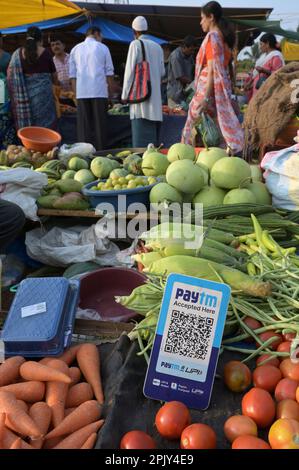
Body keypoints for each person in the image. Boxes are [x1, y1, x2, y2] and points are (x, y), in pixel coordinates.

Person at [181, 1, 244, 155]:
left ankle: (184, 155)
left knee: (191, 124)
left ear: (211, 17)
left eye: (203, 18)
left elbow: (211, 70)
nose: (200, 22)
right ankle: (222, 157)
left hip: (207, 90)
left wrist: (205, 98)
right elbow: (223, 69)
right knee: (219, 125)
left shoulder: (213, 37)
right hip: (219, 91)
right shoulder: (224, 39)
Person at [122, 16, 165, 148]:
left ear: (134, 32)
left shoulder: (135, 44)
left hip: (140, 101)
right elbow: (162, 72)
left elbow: (129, 72)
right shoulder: (158, 47)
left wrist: (124, 95)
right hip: (155, 103)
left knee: (141, 148)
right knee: (153, 148)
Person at [69, 26, 114, 150]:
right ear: (96, 34)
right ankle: (101, 152)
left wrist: (75, 94)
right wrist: (111, 92)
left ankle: (84, 154)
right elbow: (109, 73)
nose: (102, 39)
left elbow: (72, 76)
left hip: (82, 93)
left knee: (84, 128)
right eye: (101, 36)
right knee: (100, 127)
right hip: (100, 91)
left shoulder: (75, 49)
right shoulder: (103, 48)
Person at [7, 26, 57, 130]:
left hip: (25, 99)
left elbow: (11, 76)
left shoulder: (18, 53)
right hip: (45, 97)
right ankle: (46, 144)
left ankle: (29, 143)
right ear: (40, 39)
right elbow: (54, 76)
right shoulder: (46, 52)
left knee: (31, 128)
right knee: (45, 126)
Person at [245, 34, 285, 99]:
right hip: (258, 91)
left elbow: (278, 74)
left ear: (267, 43)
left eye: (261, 44)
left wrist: (264, 70)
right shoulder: (262, 57)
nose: (260, 47)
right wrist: (250, 83)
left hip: (268, 93)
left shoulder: (276, 56)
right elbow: (256, 74)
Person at [167, 36, 196, 108]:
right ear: (184, 47)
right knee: (175, 116)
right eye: (191, 50)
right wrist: (194, 83)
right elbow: (179, 77)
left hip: (184, 94)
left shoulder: (190, 56)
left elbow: (193, 69)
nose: (192, 52)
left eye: (193, 50)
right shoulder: (175, 56)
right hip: (175, 94)